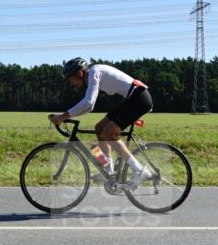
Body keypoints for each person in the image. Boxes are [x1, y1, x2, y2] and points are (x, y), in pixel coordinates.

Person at [50, 57, 153, 189]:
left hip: (139, 98)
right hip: (132, 98)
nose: (71, 83)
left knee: (109, 134)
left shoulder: (94, 72)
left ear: (79, 73)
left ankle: (139, 170)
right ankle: (107, 170)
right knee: (99, 128)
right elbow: (89, 104)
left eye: (70, 79)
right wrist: (65, 116)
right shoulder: (92, 75)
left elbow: (89, 103)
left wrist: (63, 116)